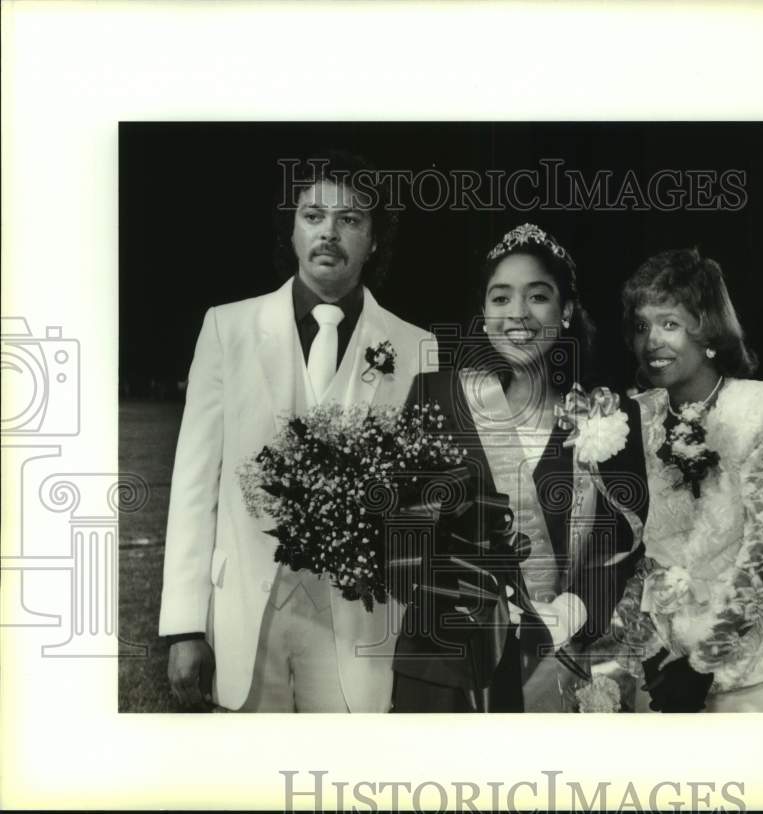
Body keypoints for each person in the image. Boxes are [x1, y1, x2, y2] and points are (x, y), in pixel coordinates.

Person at [158, 148, 437, 712]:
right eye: (313, 216)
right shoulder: (228, 327)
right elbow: (193, 484)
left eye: (350, 219)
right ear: (291, 230)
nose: (329, 233)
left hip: (359, 621)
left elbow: (421, 495)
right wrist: (185, 625)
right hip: (244, 609)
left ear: (375, 238)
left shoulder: (417, 346)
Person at [391, 223, 648, 712]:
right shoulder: (436, 397)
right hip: (441, 667)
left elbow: (622, 544)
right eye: (501, 298)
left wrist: (569, 614)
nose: (518, 314)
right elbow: (402, 533)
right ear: (484, 315)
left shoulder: (610, 414)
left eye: (538, 296)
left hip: (551, 661)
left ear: (566, 310)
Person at [616, 248, 763, 712]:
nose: (652, 341)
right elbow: (635, 549)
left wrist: (701, 665)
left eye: (670, 323)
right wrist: (645, 647)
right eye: (642, 326)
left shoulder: (762, 406)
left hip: (757, 672)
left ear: (708, 330)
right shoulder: (638, 417)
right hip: (662, 668)